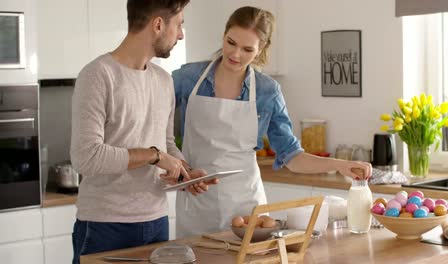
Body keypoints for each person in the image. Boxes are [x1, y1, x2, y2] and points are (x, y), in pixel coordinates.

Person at [172, 6, 373, 238]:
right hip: (195, 201)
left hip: (246, 207)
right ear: (224, 35)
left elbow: (293, 157)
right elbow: (153, 121)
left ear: (260, 50)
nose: (236, 54)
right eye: (231, 43)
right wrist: (179, 169)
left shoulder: (268, 91)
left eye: (247, 49)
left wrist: (339, 165)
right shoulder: (187, 78)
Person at [70, 0, 214, 262]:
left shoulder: (163, 80)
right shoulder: (98, 75)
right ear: (158, 25)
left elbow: (166, 144)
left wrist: (184, 172)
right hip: (106, 226)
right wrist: (154, 156)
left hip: (157, 221)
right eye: (179, 25)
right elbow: (85, 157)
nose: (181, 34)